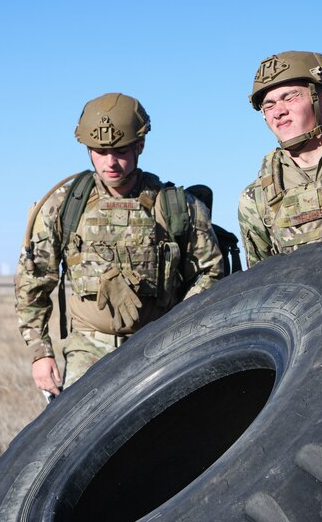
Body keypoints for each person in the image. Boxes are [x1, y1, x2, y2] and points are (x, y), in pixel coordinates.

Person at [15, 92, 223, 397]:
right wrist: (40, 352)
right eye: (100, 151)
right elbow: (33, 281)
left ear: (140, 145)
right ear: (87, 149)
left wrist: (181, 329)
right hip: (88, 349)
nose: (110, 162)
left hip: (160, 346)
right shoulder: (64, 206)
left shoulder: (176, 205)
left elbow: (210, 271)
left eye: (121, 151)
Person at [237, 51, 322, 268]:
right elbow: (262, 283)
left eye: (290, 97)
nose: (278, 112)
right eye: (268, 106)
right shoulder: (256, 198)